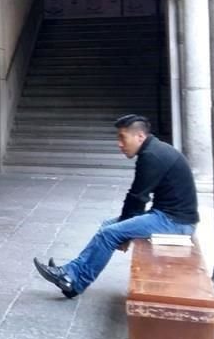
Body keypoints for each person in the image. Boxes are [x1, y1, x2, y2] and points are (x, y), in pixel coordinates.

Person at [33, 114, 199, 298]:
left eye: (122, 137)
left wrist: (125, 232)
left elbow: (137, 198)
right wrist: (126, 227)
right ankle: (72, 274)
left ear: (140, 137)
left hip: (176, 223)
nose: (119, 144)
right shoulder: (154, 150)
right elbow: (137, 199)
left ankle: (74, 279)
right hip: (168, 216)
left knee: (109, 233)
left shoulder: (152, 156)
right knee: (107, 226)